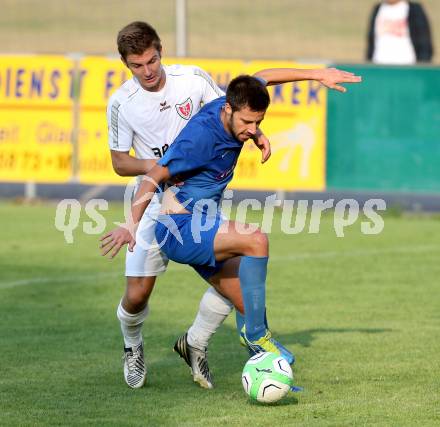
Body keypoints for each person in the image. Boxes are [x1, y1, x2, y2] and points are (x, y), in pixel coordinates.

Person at [102, 71, 362, 383]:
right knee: (256, 240)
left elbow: (263, 76)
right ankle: (256, 339)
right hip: (180, 227)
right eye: (247, 123)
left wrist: (316, 75)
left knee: (246, 300)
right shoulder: (200, 138)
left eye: (258, 122)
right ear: (228, 109)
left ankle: (196, 343)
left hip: (205, 220)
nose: (252, 128)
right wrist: (130, 224)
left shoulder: (234, 103)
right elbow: (153, 176)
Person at [106, 21, 273, 390]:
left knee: (237, 287)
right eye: (137, 65)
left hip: (199, 204)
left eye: (151, 61)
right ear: (125, 63)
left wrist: (256, 131)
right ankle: (132, 346)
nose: (147, 71)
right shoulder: (121, 103)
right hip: (152, 204)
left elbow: (228, 112)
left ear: (160, 50)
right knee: (137, 295)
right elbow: (119, 161)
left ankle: (195, 343)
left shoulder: (193, 80)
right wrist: (157, 165)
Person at [366, 0, 433, 64]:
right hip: (379, 66)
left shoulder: (414, 10)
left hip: (407, 66)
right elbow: (371, 42)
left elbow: (424, 42)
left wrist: (421, 67)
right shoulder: (378, 9)